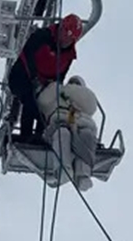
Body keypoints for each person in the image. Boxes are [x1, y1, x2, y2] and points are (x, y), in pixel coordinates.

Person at [6, 13, 83, 143]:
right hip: (21, 77)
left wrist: (57, 91)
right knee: (30, 101)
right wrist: (35, 78)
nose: (64, 38)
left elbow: (61, 76)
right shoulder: (41, 37)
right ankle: (26, 135)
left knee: (49, 105)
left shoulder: (69, 56)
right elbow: (28, 57)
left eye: (70, 38)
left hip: (44, 83)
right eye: (64, 32)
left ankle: (42, 135)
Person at [35, 75, 100, 190]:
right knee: (62, 133)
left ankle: (82, 174)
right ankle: (64, 169)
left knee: (86, 136)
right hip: (61, 121)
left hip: (80, 123)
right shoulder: (57, 92)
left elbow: (91, 106)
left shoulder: (63, 93)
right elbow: (43, 102)